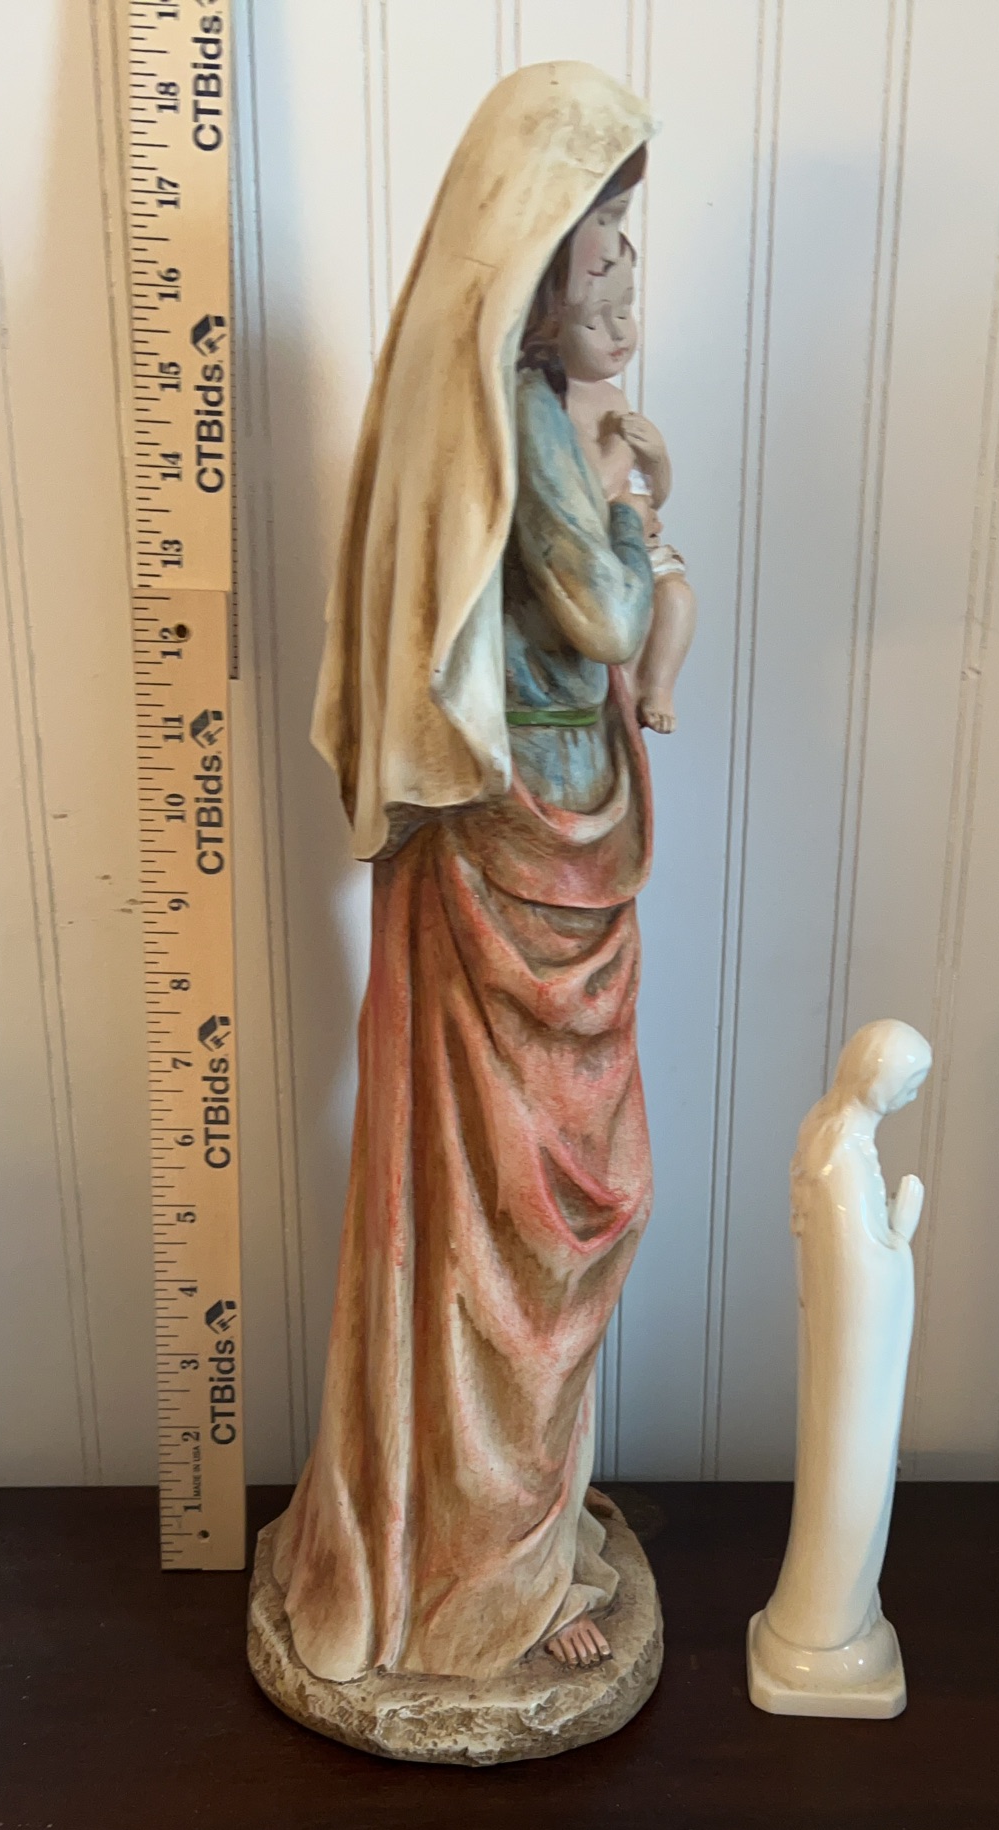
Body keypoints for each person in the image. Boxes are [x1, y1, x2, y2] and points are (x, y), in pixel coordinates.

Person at [266, 66, 660, 1684]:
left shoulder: (493, 409)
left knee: (519, 1224)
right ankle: (482, 1587)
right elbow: (607, 619)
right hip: (518, 853)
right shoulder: (520, 423)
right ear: (536, 270)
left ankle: (492, 1545)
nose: (628, 284)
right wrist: (633, 517)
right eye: (605, 252)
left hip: (522, 850)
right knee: (520, 1233)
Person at [550, 244, 696, 734]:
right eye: (596, 319)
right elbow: (587, 493)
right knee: (631, 626)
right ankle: (628, 692)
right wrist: (622, 451)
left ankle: (659, 687)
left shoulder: (613, 396)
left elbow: (656, 495)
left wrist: (657, 458)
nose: (618, 333)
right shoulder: (554, 405)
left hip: (643, 540)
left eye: (625, 311)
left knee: (678, 599)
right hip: (606, 551)